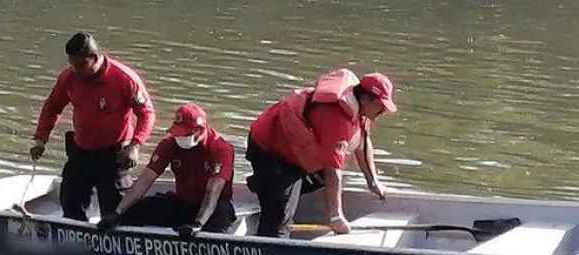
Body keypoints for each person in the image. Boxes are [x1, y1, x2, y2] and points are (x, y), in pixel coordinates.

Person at [246, 68, 397, 237]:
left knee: (316, 180)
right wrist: (336, 216)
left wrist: (372, 181)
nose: (383, 111)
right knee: (279, 216)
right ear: (365, 99)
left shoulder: (360, 112)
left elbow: (362, 142)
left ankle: (267, 189)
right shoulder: (336, 118)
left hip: (297, 151)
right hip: (270, 149)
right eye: (381, 106)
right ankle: (271, 204)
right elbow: (333, 170)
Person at [29, 32, 155, 221]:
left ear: (94, 58)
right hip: (81, 150)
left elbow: (147, 113)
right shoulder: (69, 78)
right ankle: (75, 241)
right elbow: (51, 108)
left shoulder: (124, 79)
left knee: (114, 211)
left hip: (113, 154)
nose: (75, 69)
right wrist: (41, 139)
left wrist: (135, 146)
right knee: (69, 200)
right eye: (71, 64)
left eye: (79, 64)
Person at [96, 103, 236, 238]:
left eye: (184, 135)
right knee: (133, 211)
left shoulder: (221, 149)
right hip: (182, 202)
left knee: (219, 219)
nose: (179, 138)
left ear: (198, 131)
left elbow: (213, 191)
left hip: (214, 207)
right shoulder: (169, 145)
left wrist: (198, 223)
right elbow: (145, 180)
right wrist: (118, 212)